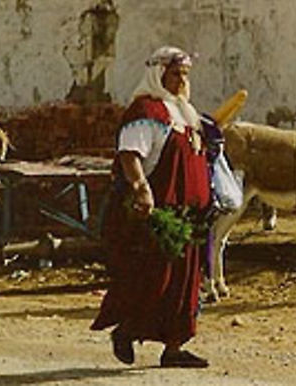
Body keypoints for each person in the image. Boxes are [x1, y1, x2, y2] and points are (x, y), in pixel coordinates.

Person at [91, 46, 211, 368]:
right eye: (176, 74)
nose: (182, 81)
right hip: (158, 213)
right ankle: (126, 330)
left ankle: (173, 348)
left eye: (185, 75)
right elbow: (130, 154)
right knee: (154, 278)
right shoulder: (147, 111)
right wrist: (142, 188)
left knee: (184, 284)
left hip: (189, 215)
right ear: (159, 74)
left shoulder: (185, 112)